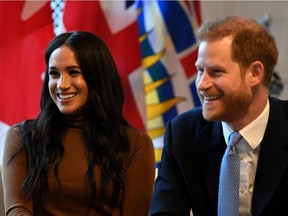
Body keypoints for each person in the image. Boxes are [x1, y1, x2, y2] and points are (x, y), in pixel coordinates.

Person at [2, 31, 155, 216]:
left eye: (74, 72)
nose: (62, 84)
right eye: (54, 74)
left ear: (97, 77)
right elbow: (18, 211)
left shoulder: (135, 144)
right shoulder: (22, 137)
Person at [150, 15, 288, 216]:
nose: (201, 84)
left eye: (216, 72)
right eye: (199, 70)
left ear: (255, 73)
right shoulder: (182, 133)